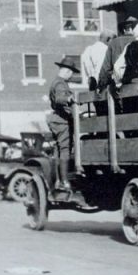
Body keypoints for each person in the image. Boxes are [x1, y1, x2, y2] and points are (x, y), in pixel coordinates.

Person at [47, 56, 80, 190]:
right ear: (67, 71)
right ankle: (64, 182)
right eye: (71, 73)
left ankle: (57, 180)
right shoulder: (61, 84)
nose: (71, 76)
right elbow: (60, 99)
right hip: (62, 121)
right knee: (65, 150)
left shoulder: (56, 82)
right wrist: (70, 98)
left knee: (58, 150)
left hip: (56, 120)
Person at [97, 14, 138, 90]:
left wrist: (101, 85)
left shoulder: (114, 43)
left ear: (124, 30)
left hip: (119, 85)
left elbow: (106, 68)